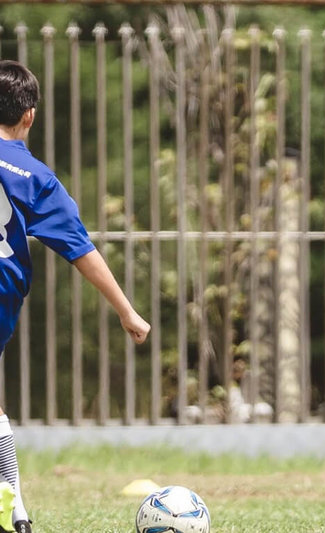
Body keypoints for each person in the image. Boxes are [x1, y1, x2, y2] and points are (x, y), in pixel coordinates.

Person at [0, 60, 151, 533]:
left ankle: (14, 512)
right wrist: (127, 311)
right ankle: (15, 513)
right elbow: (79, 249)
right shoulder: (35, 176)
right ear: (30, 116)